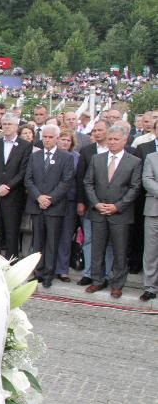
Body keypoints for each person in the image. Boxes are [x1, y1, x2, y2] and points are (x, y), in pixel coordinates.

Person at [83, 125, 143, 298]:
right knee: (97, 248)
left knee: (120, 250)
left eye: (116, 139)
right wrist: (96, 204)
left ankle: (117, 284)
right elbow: (88, 183)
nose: (112, 142)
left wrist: (117, 206)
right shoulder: (97, 159)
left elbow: (135, 187)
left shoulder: (134, 161)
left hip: (121, 214)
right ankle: (97, 280)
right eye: (110, 139)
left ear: (125, 140)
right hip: (98, 212)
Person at [24, 124, 75, 288]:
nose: (46, 139)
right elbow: (28, 179)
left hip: (55, 207)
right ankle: (38, 272)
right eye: (44, 137)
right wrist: (38, 197)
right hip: (37, 204)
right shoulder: (35, 156)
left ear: (57, 138)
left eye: (50, 137)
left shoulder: (66, 157)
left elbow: (66, 181)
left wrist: (50, 199)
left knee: (52, 242)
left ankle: (48, 274)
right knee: (37, 241)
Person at [0, 113, 32, 259]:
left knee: (12, 232)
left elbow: (23, 171)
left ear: (16, 127)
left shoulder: (25, 146)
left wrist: (8, 187)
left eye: (10, 124)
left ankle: (11, 262)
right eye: (4, 124)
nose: (6, 127)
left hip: (13, 196)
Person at [76, 120, 113, 286]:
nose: (97, 133)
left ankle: (105, 274)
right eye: (94, 131)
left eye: (100, 130)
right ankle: (89, 273)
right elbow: (81, 179)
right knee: (89, 239)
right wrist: (81, 202)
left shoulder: (118, 150)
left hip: (113, 206)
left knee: (110, 242)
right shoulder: (87, 151)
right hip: (92, 204)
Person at [54, 131, 81, 282]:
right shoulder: (52, 155)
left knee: (66, 236)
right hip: (53, 201)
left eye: (68, 140)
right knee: (51, 236)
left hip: (69, 201)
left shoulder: (76, 157)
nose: (65, 143)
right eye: (62, 139)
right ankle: (48, 266)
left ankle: (62, 269)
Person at [140, 149, 158, 301]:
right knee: (151, 250)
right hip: (153, 211)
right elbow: (147, 180)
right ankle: (150, 287)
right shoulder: (151, 158)